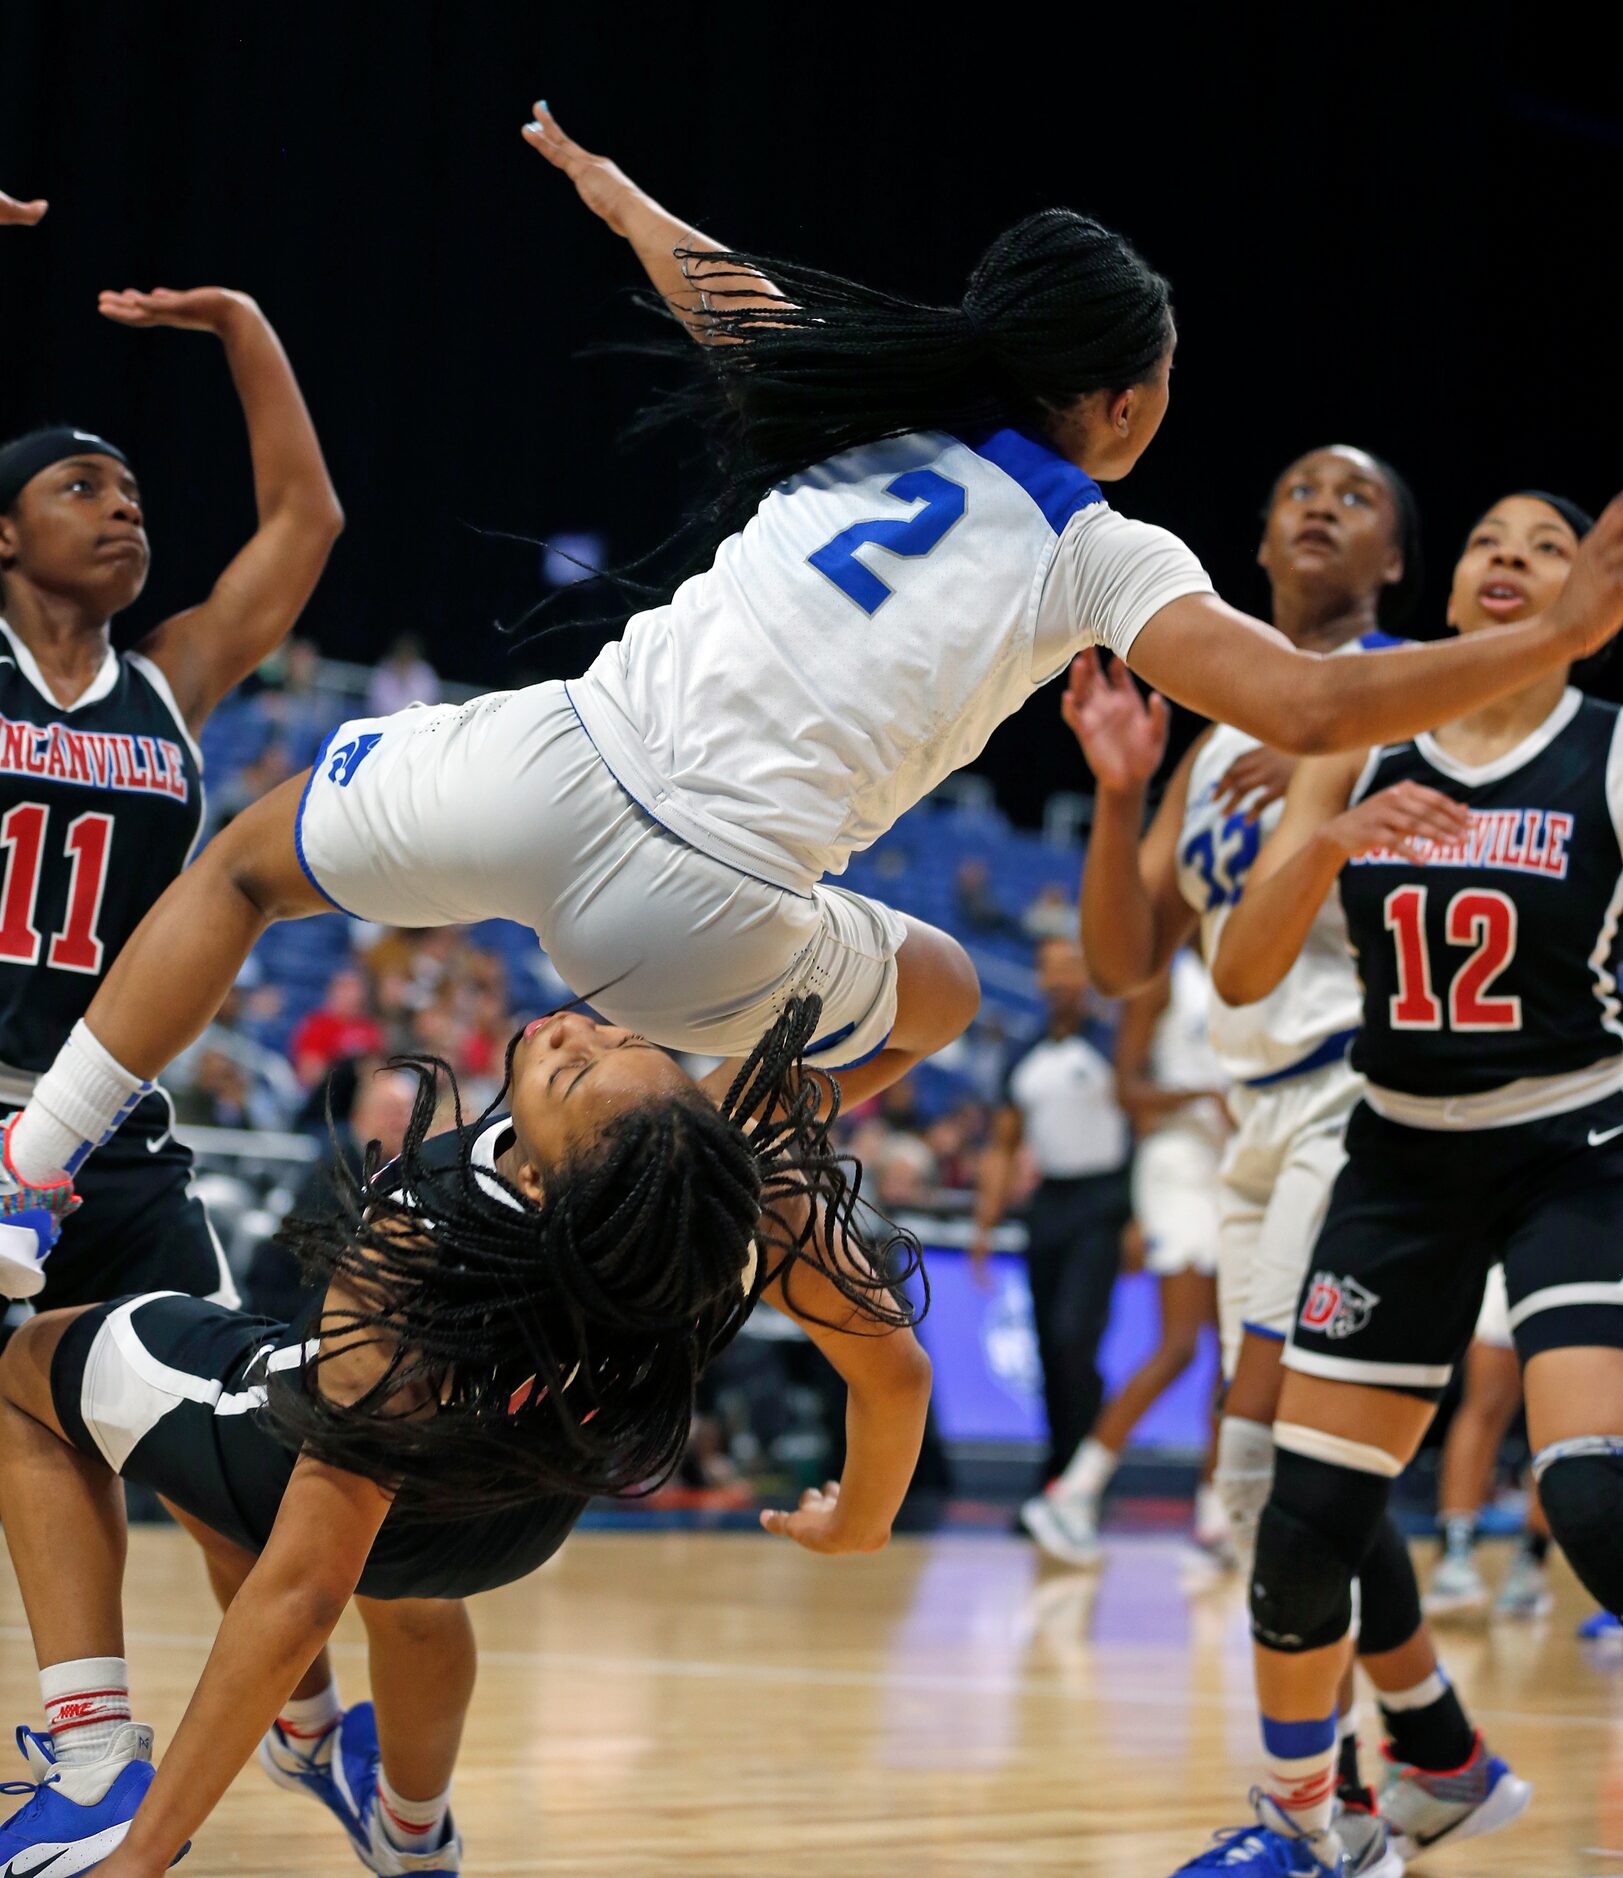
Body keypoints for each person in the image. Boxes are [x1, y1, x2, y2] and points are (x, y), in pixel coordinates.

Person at [7, 114, 1623, 1298]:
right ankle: (647, 1181)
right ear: (1123, 400)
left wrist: (607, 187)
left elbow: (707, 280)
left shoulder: (853, 409)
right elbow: (1307, 696)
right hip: (709, 913)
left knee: (241, 867)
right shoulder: (1095, 545)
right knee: (928, 995)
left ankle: (28, 1171)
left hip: (550, 764)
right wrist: (1552, 634)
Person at [0, 998, 935, 1874]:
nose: (576, 1030)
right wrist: (857, 1522)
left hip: (316, 1468)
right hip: (512, 1516)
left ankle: (95, 1766)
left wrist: (145, 1854)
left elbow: (303, 1592)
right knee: (410, 1595)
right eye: (624, 1038)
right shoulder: (725, 1184)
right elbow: (897, 1374)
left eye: (575, 1072)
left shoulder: (419, 1253)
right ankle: (410, 1833)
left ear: (532, 1177)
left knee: (31, 1375)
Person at [1068, 446, 1502, 1871]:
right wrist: (1124, 792)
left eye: (1357, 495)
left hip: (1365, 1102)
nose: (1318, 503)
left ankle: (1334, 1818)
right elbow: (1126, 964)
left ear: (1389, 563)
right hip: (1252, 1118)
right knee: (1280, 1478)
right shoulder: (1212, 744)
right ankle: (1426, 1754)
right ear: (1254, 538)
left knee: (1268, 1455)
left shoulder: (1415, 689)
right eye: (1297, 487)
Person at [1184, 490, 1615, 1874]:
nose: (1507, 558)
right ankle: (1310, 1829)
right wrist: (1323, 843)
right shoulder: (1360, 745)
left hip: (1573, 1147)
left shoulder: (1606, 756)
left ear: (1586, 595)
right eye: (1487, 540)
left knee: (1594, 1496)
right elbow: (1238, 974)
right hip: (1398, 1153)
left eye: (1544, 545)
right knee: (1301, 1530)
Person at [0, 183, 343, 1322]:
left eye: (135, 496)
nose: (124, 511)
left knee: (222, 1434)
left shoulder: (166, 680)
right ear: (4, 529)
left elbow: (306, 523)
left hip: (103, 1121)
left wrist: (242, 324)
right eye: (82, 488)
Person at [1024, 950, 1231, 1569]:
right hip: (1178, 1167)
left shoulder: (1241, 967)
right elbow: (1127, 1088)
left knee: (1238, 1356)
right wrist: (1204, 1096)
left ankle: (1215, 1517)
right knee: (1179, 1347)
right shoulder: (1165, 974)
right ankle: (1072, 1491)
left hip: (1229, 1168)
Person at [969, 938, 1131, 1495]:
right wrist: (983, 1227)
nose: (1060, 980)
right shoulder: (1024, 1054)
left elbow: (1141, 1130)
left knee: (1074, 1338)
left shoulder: (1113, 1047)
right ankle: (1060, 1467)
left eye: (1071, 968)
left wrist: (1141, 1219)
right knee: (1046, 1344)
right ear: (1039, 979)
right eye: (1051, 970)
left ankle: (1083, 1467)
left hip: (1106, 1200)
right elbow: (1002, 1145)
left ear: (1088, 977)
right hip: (1050, 1205)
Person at [1424, 1266, 1554, 1622]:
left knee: (1555, 1418)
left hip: (1579, 1260)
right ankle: (1460, 1556)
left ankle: (1528, 1559)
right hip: (1523, 1254)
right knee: (1488, 1407)